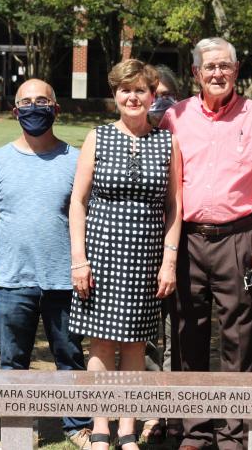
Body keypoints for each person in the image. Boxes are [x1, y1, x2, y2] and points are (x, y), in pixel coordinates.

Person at [160, 37, 252, 450]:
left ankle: (234, 431)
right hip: (189, 240)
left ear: (237, 72)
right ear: (195, 73)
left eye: (225, 67)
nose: (217, 74)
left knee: (240, 337)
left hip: (241, 237)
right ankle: (194, 430)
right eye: (209, 67)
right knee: (187, 334)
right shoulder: (175, 118)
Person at [0, 78, 93, 449]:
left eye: (42, 101)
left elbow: (85, 213)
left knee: (70, 357)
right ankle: (19, 428)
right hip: (12, 279)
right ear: (15, 111)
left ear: (56, 109)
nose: (34, 107)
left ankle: (77, 426)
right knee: (12, 358)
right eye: (26, 101)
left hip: (64, 279)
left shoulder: (76, 160)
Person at [69, 59, 182, 450]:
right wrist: (79, 260)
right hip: (101, 256)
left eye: (140, 90)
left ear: (153, 96)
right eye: (124, 90)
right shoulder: (97, 137)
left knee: (136, 345)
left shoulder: (167, 141)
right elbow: (78, 202)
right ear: (115, 95)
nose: (132, 97)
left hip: (146, 258)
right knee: (99, 344)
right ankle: (101, 428)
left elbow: (175, 206)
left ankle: (128, 429)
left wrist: (169, 261)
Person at [144, 64, 182, 443]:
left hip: (181, 253)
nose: (158, 102)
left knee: (178, 334)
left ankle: (176, 414)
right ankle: (154, 413)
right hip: (138, 256)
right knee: (150, 338)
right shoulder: (131, 137)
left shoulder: (183, 136)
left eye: (166, 95)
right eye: (151, 94)